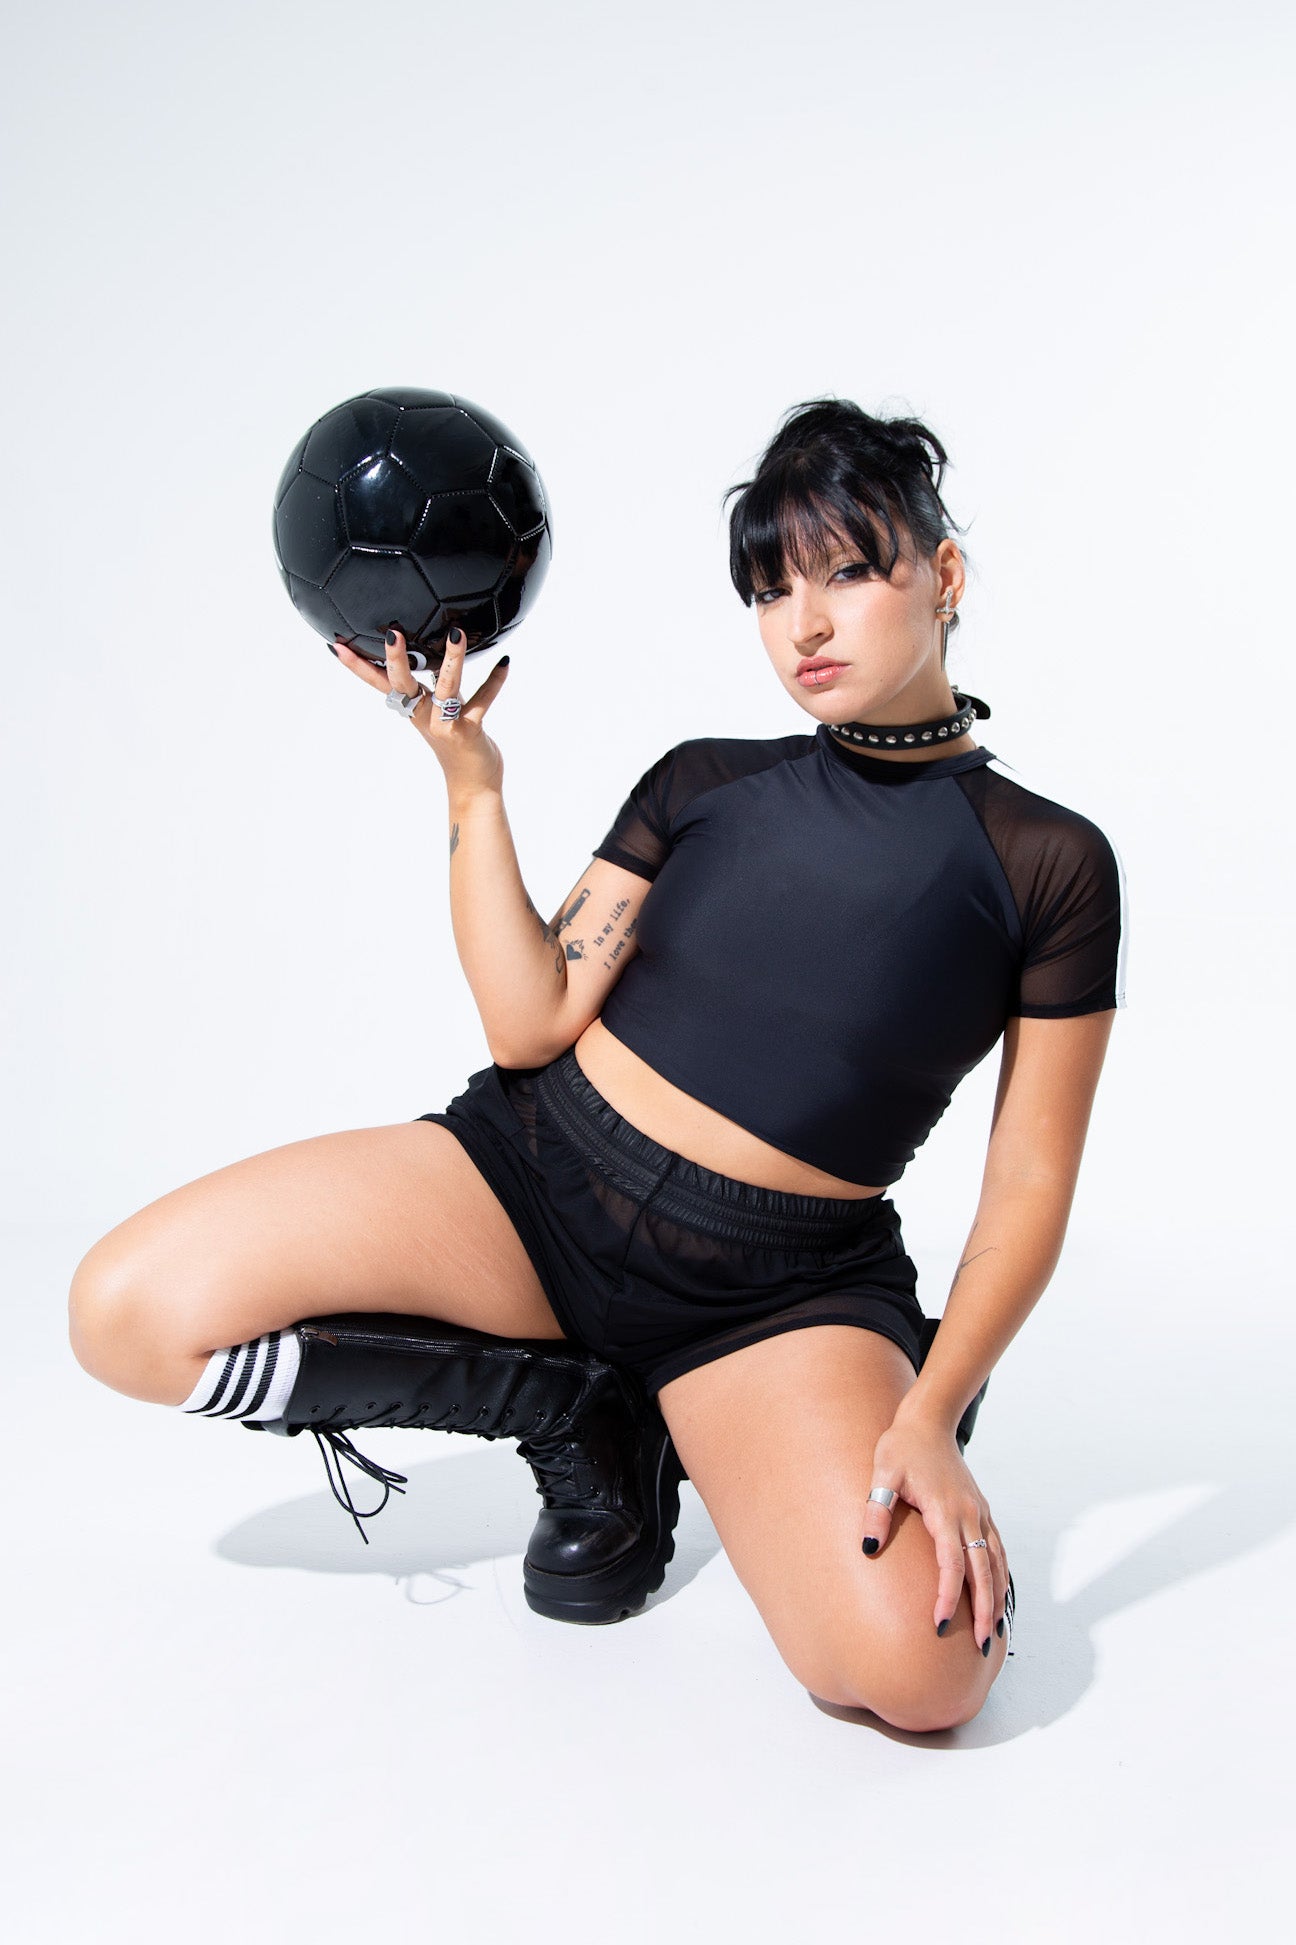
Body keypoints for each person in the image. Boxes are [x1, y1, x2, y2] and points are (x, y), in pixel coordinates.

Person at [68, 398, 1127, 1733]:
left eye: (849, 572)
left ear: (945, 574)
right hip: (530, 1177)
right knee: (125, 1315)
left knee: (927, 1673)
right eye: (771, 589)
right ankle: (570, 1412)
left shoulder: (1049, 864)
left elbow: (1027, 1183)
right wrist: (471, 784)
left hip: (773, 1295)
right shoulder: (701, 784)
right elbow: (530, 1023)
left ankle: (775, 1408)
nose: (804, 624)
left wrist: (931, 1411)